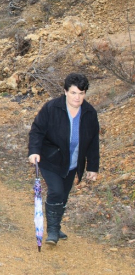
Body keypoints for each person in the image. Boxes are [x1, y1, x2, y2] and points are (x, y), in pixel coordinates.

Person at [28, 73, 100, 245]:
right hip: (50, 158)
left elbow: (93, 141)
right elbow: (37, 130)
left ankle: (56, 225)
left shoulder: (89, 113)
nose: (78, 97)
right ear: (65, 91)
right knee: (56, 191)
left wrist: (93, 167)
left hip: (73, 162)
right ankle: (52, 231)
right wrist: (34, 151)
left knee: (64, 196)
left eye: (81, 93)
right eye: (74, 93)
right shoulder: (52, 108)